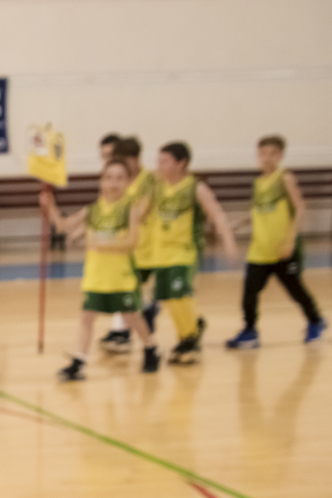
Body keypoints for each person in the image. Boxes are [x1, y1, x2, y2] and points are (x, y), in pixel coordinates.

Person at [41, 158, 160, 380]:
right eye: (109, 178)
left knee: (132, 317)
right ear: (101, 181)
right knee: (87, 318)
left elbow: (132, 242)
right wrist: (51, 207)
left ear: (127, 182)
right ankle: (79, 361)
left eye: (120, 178)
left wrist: (103, 246)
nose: (114, 183)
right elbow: (63, 226)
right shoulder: (92, 210)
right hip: (95, 277)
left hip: (121, 278)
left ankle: (150, 348)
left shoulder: (130, 209)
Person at [134, 141, 237, 365]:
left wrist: (228, 241)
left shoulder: (195, 188)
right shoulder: (156, 187)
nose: (159, 165)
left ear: (181, 163)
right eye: (159, 160)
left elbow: (217, 214)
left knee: (180, 294)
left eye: (165, 161)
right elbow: (139, 213)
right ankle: (189, 333)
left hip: (184, 253)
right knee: (169, 298)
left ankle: (189, 339)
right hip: (159, 254)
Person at [226, 135, 326, 347]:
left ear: (280, 155)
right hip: (259, 249)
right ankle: (250, 331)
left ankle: (315, 321)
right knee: (250, 292)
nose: (267, 158)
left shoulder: (284, 177)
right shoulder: (258, 183)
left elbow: (300, 208)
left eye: (272, 153)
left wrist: (290, 240)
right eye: (263, 153)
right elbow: (258, 211)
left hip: (282, 249)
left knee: (295, 290)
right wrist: (239, 224)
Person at [99, 136, 156, 354]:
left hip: (148, 248)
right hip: (126, 249)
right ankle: (124, 333)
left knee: (141, 298)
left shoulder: (149, 180)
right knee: (126, 293)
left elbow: (142, 210)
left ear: (136, 158)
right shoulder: (121, 181)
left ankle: (135, 334)